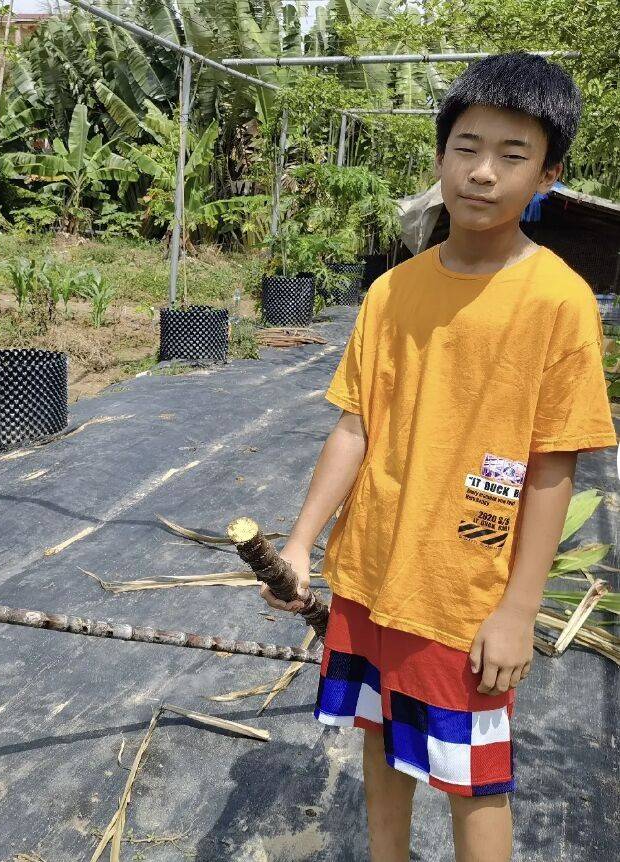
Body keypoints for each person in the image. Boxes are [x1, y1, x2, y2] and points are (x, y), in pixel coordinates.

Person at [261, 53, 616, 861]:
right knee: (383, 743)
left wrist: (517, 609)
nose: (483, 172)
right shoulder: (393, 293)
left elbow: (555, 466)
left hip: (465, 595)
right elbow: (354, 428)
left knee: (472, 778)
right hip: (373, 573)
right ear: (440, 156)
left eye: (512, 155)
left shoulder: (558, 302)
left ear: (548, 176)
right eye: (466, 146)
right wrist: (299, 542)